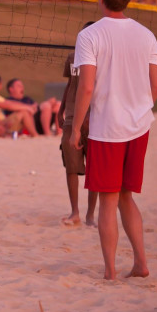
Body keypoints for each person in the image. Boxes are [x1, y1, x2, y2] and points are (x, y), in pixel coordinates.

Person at [70, 0, 157, 280]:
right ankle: (140, 263)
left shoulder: (90, 35)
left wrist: (75, 129)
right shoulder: (146, 34)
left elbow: (85, 88)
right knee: (127, 196)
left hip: (107, 127)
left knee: (108, 201)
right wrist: (138, 107)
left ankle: (110, 271)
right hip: (139, 126)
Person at [57, 21, 98, 227]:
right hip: (72, 117)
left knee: (94, 169)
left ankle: (90, 215)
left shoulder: (103, 57)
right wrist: (60, 109)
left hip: (96, 119)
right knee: (71, 166)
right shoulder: (73, 58)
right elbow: (70, 85)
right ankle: (75, 212)